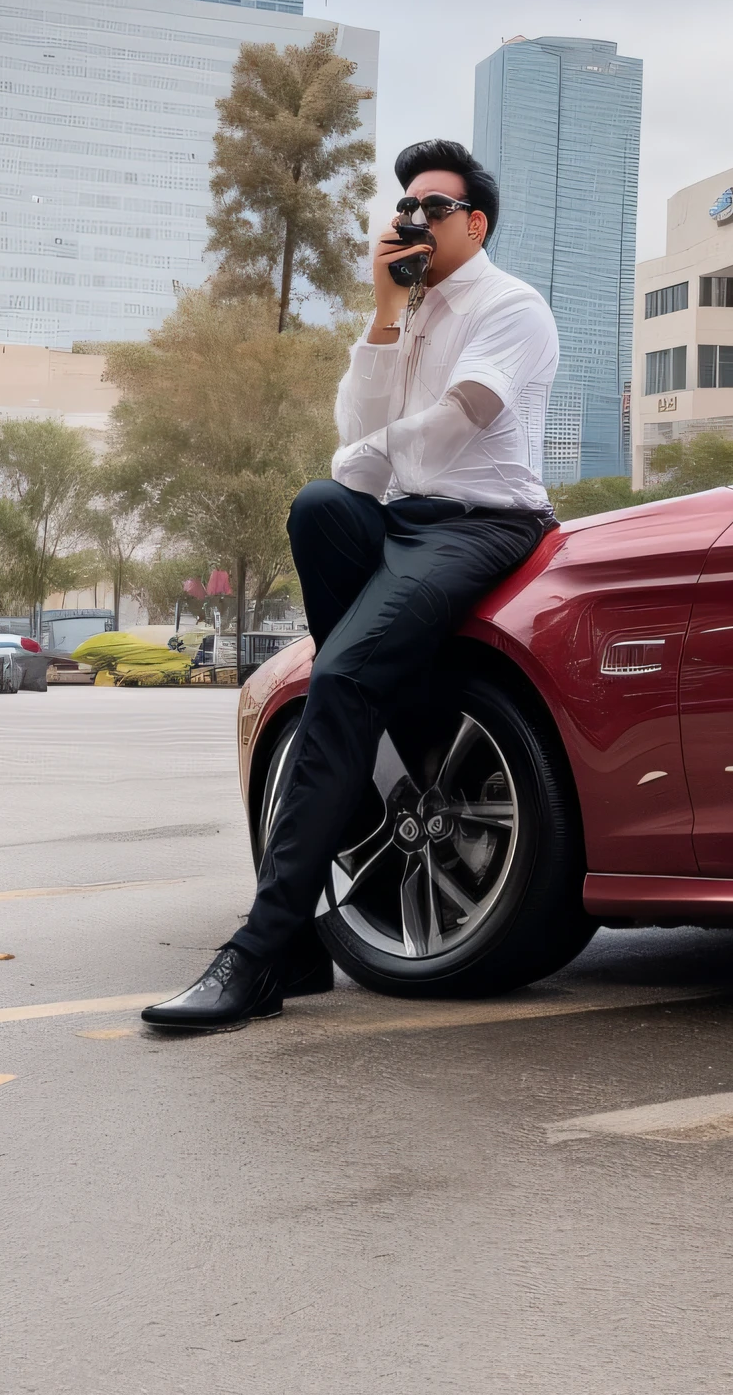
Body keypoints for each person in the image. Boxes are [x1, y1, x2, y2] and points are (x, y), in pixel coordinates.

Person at [142, 138, 561, 1032]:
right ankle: (368, 746)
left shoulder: (512, 307)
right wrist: (380, 317)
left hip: (484, 523)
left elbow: (453, 433)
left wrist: (360, 455)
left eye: (433, 208)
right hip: (401, 520)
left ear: (475, 222)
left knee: (336, 680)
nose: (411, 220)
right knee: (322, 507)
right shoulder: (405, 313)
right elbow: (360, 461)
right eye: (404, 207)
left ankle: (264, 953)